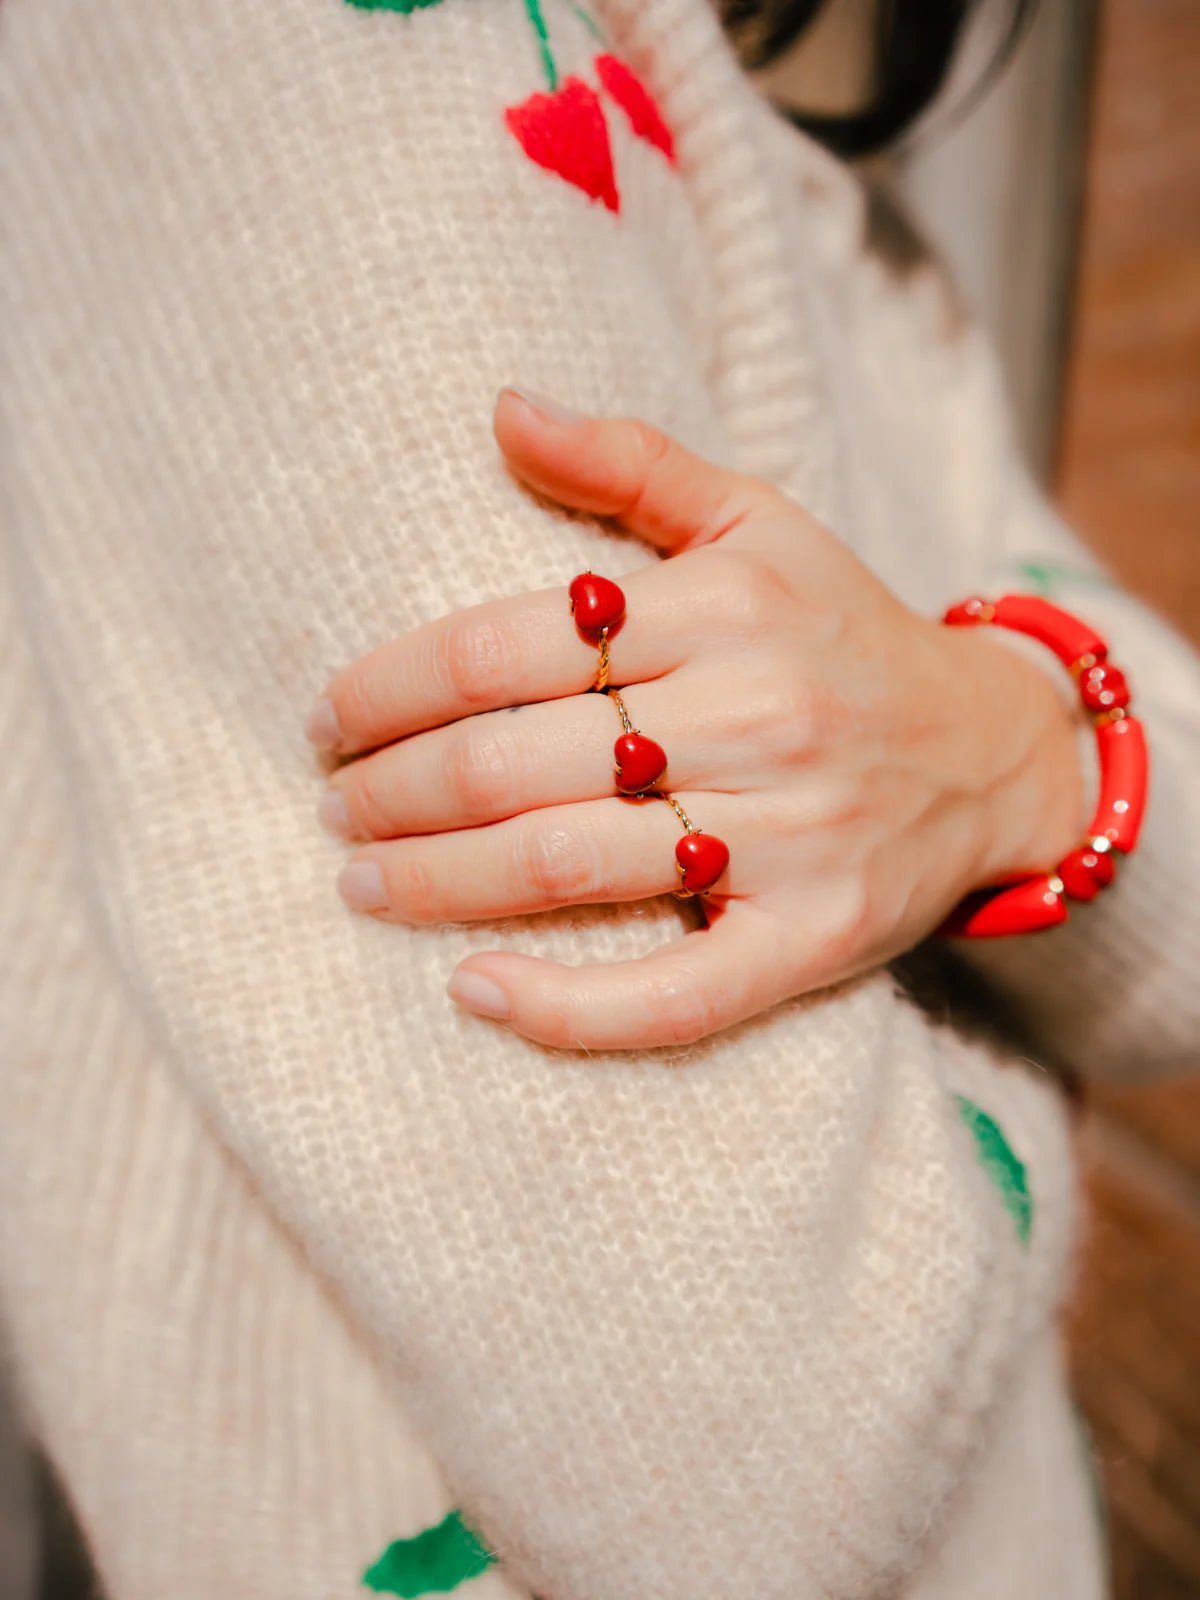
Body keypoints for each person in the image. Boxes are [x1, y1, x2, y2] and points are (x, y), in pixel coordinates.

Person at [1, 2, 1196, 1597]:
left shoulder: (849, 230)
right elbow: (751, 1460)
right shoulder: (303, 57)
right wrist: (1038, 914)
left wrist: (1002, 750)